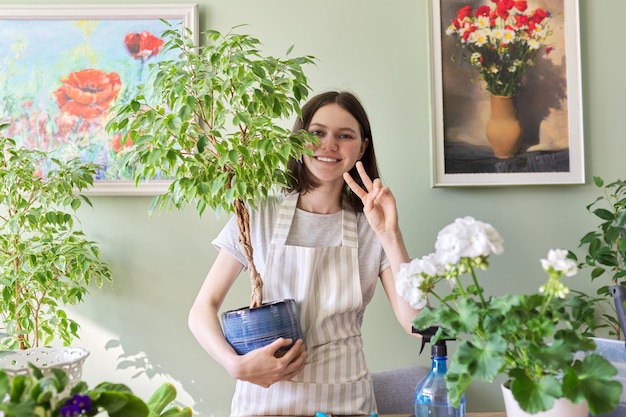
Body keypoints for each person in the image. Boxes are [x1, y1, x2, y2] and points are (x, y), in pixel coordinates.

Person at [188, 91, 421, 417]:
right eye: (318, 133)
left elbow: (417, 323)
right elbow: (202, 309)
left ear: (362, 147)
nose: (329, 145)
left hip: (345, 403)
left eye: (345, 136)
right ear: (298, 139)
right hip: (263, 402)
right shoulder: (258, 215)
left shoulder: (372, 227)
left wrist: (390, 234)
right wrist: (235, 365)